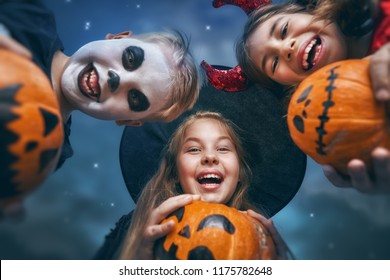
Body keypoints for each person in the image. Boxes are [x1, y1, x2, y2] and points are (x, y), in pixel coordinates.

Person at [0, 0, 200, 218]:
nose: (117, 79)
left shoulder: (50, 152)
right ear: (117, 38)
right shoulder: (30, 18)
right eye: (130, 58)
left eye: (135, 98)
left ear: (127, 120)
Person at [234, 0, 390, 193]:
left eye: (283, 30)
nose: (286, 48)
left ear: (310, 10)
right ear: (290, 89)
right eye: (274, 63)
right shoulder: (335, 133)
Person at [101, 111, 292, 260]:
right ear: (175, 173)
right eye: (194, 149)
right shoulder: (132, 228)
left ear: (240, 173)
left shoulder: (260, 238)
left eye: (223, 148)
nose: (209, 157)